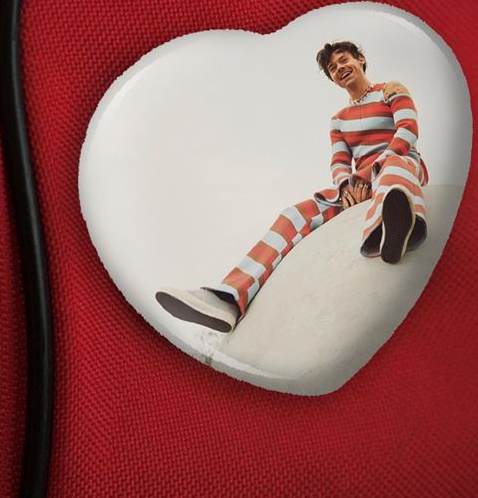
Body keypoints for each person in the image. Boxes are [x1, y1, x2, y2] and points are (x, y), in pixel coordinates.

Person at [155, 40, 428, 333]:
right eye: (333, 68)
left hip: (396, 166)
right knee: (293, 214)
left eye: (344, 60)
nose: (340, 68)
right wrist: (346, 189)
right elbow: (339, 163)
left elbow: (408, 131)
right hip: (355, 188)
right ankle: (227, 299)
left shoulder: (390, 89)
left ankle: (390, 230)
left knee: (394, 168)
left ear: (360, 59)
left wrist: (367, 175)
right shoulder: (338, 120)